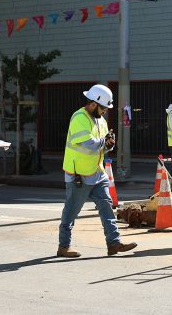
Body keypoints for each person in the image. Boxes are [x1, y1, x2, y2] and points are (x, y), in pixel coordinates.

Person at [57, 84, 137, 258]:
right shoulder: (79, 118)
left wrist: (109, 145)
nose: (105, 112)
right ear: (93, 104)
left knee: (107, 207)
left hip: (97, 172)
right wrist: (104, 142)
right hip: (79, 175)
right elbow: (90, 144)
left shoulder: (101, 120)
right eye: (103, 108)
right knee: (71, 212)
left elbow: (101, 147)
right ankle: (63, 246)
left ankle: (113, 243)